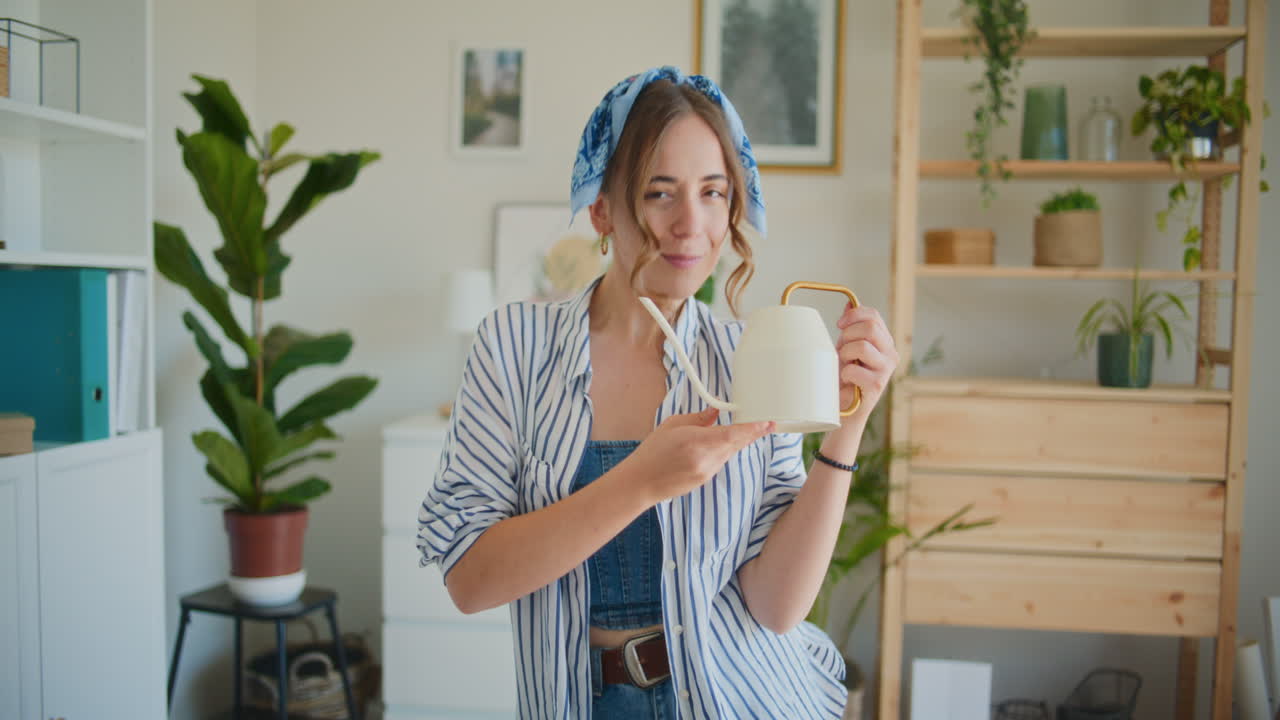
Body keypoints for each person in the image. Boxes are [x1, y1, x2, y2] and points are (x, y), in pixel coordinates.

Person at [418, 66, 899, 719]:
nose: (690, 225)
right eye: (659, 193)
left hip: (741, 698)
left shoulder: (749, 356)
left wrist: (849, 421)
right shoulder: (514, 347)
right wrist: (639, 481)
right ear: (602, 210)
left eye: (713, 192)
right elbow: (470, 581)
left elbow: (777, 607)